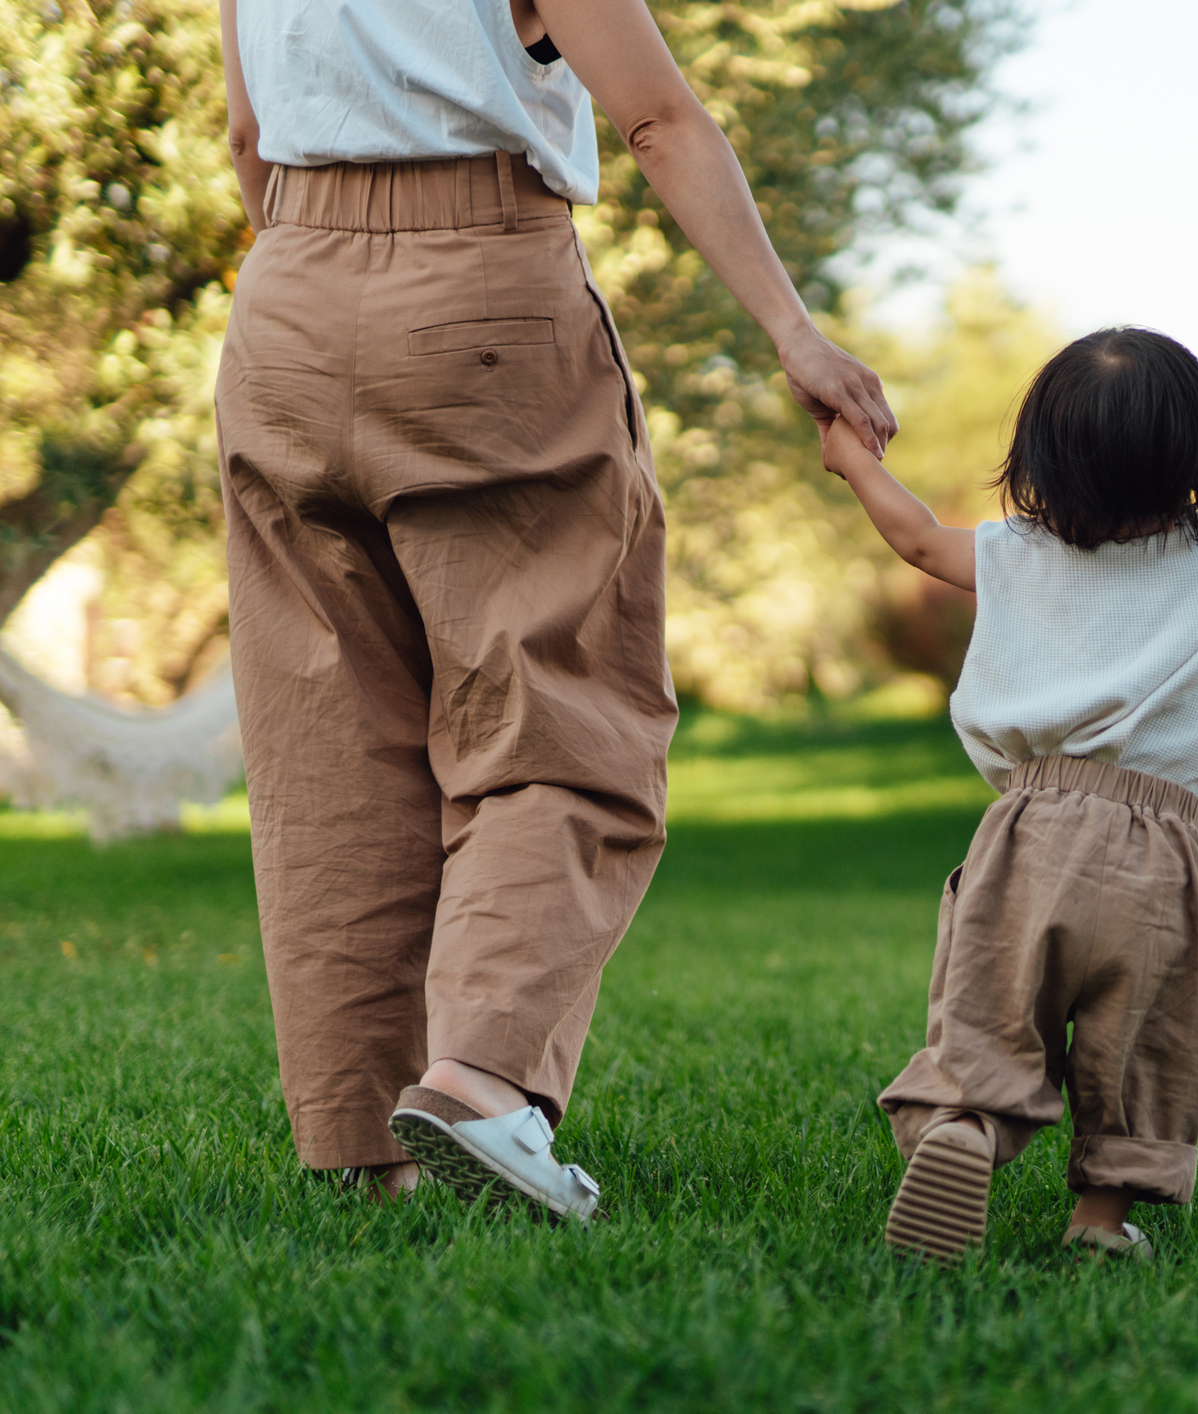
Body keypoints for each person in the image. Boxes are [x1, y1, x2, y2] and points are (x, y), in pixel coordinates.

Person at [216, 0, 896, 1218]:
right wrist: (796, 334)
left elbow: (247, 133)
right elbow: (656, 119)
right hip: (479, 280)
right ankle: (478, 1076)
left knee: (327, 750)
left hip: (284, 300)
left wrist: (327, 285)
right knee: (563, 712)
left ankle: (363, 1153)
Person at [821, 328, 1198, 1261]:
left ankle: (964, 1128)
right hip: (1161, 849)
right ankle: (1102, 1221)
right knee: (1141, 1039)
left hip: (1026, 829)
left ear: (1040, 455)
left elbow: (912, 537)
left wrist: (854, 459)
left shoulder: (1015, 554)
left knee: (992, 1008)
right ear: (1190, 458)